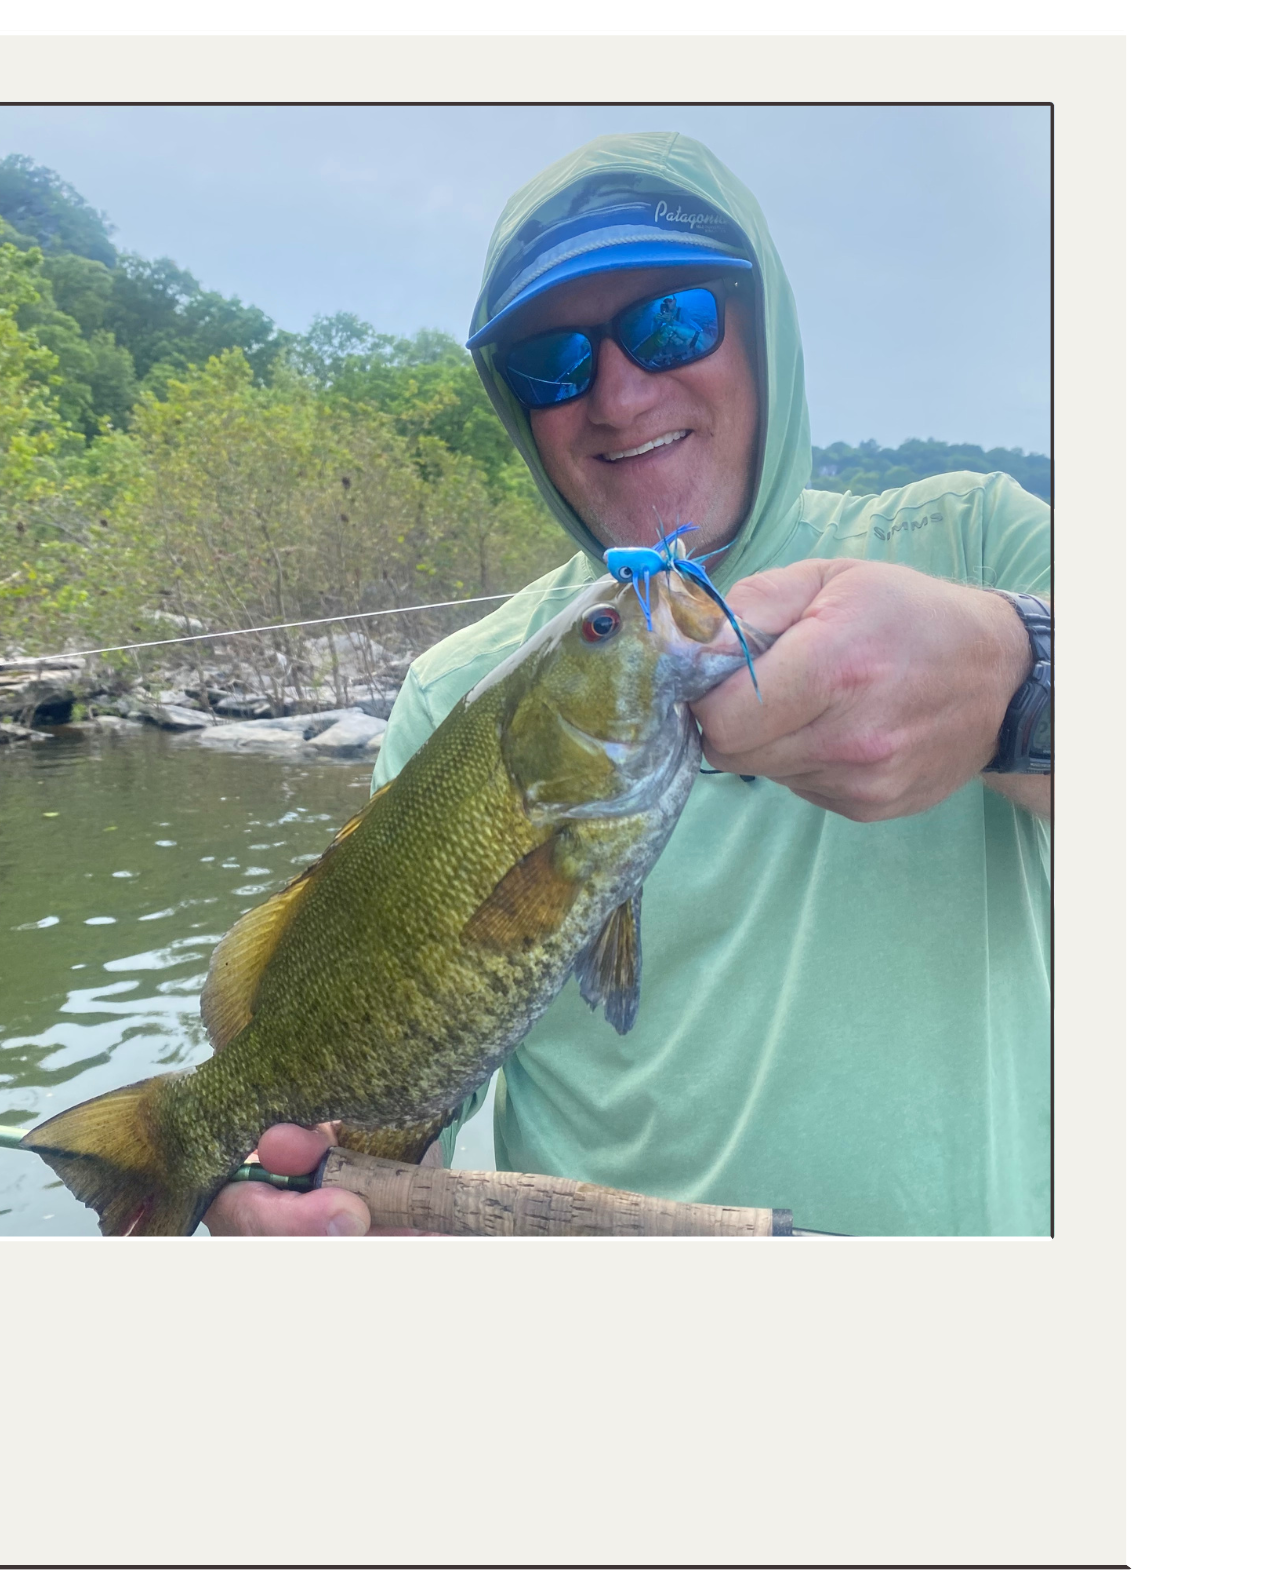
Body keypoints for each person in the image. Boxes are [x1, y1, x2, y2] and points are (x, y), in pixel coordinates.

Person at [206, 132, 1051, 1238]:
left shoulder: (971, 538)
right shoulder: (457, 691)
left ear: (764, 333)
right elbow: (407, 1064)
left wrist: (1015, 674)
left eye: (669, 322)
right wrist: (309, 1188)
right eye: (551, 362)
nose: (615, 391)